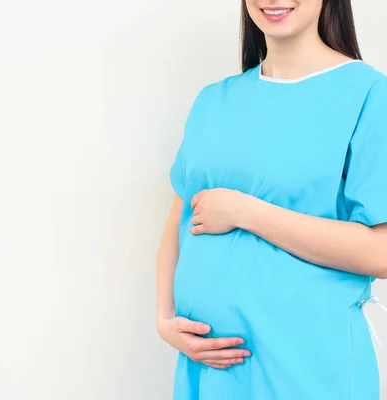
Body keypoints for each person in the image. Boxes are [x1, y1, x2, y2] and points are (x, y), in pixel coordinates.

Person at [156, 1, 387, 399]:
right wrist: (164, 320)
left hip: (308, 367)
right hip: (209, 370)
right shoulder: (213, 101)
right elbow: (178, 224)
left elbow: (381, 253)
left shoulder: (369, 95)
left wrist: (247, 212)